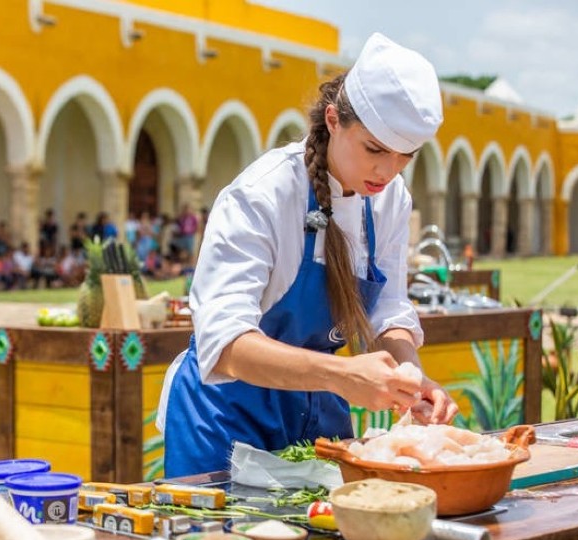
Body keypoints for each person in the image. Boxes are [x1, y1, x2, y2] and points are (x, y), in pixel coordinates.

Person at [156, 33, 459, 477]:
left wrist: (411, 379)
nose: (387, 171)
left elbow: (389, 310)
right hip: (224, 422)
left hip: (318, 417)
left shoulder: (391, 199)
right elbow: (225, 345)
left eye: (405, 157)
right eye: (374, 149)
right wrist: (341, 376)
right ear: (334, 120)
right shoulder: (262, 195)